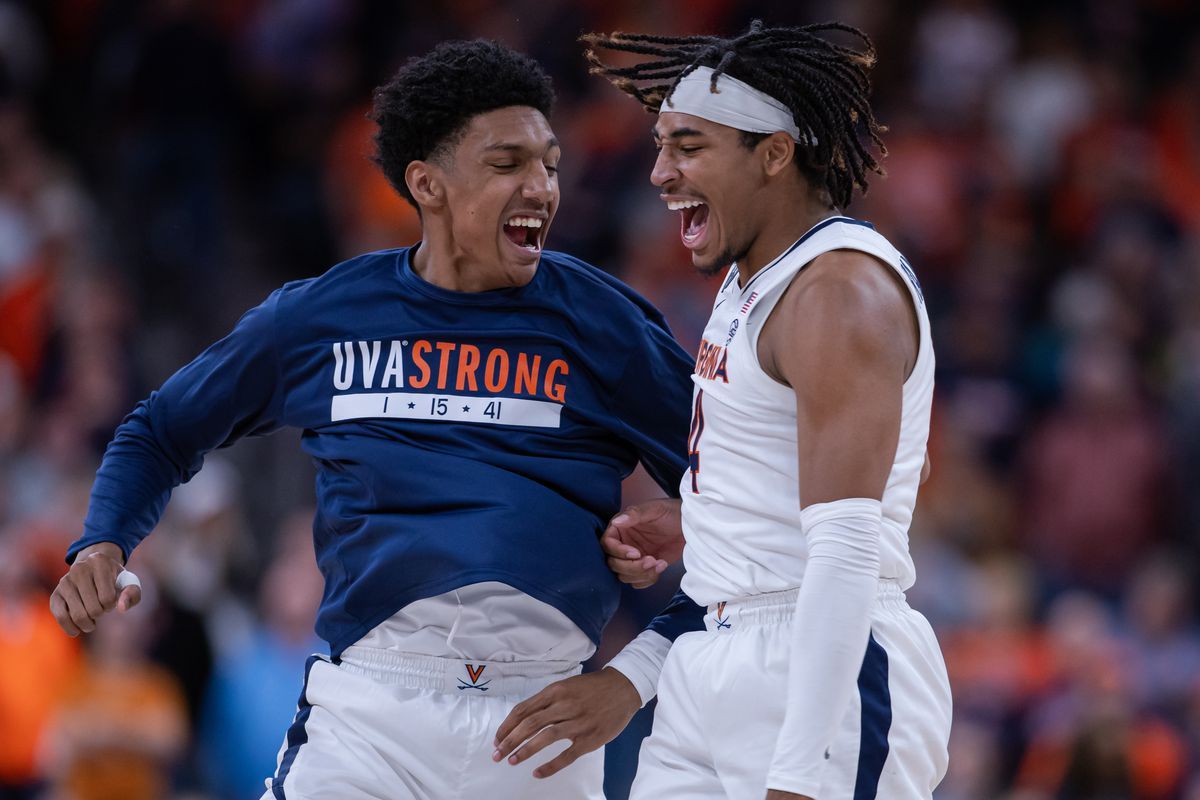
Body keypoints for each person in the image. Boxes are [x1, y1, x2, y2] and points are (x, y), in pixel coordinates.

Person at [48, 39, 703, 800]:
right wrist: (102, 539)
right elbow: (161, 430)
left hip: (546, 724)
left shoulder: (605, 323)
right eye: (507, 164)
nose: (542, 188)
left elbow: (757, 511)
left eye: (550, 164)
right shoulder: (323, 316)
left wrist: (631, 680)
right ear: (427, 185)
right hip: (371, 720)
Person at [514, 20, 954, 800]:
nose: (658, 172)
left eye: (688, 146)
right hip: (713, 662)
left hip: (825, 670)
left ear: (774, 154)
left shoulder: (838, 294)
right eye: (659, 145)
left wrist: (801, 771)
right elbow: (787, 471)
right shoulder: (751, 275)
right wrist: (704, 518)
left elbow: (847, 552)